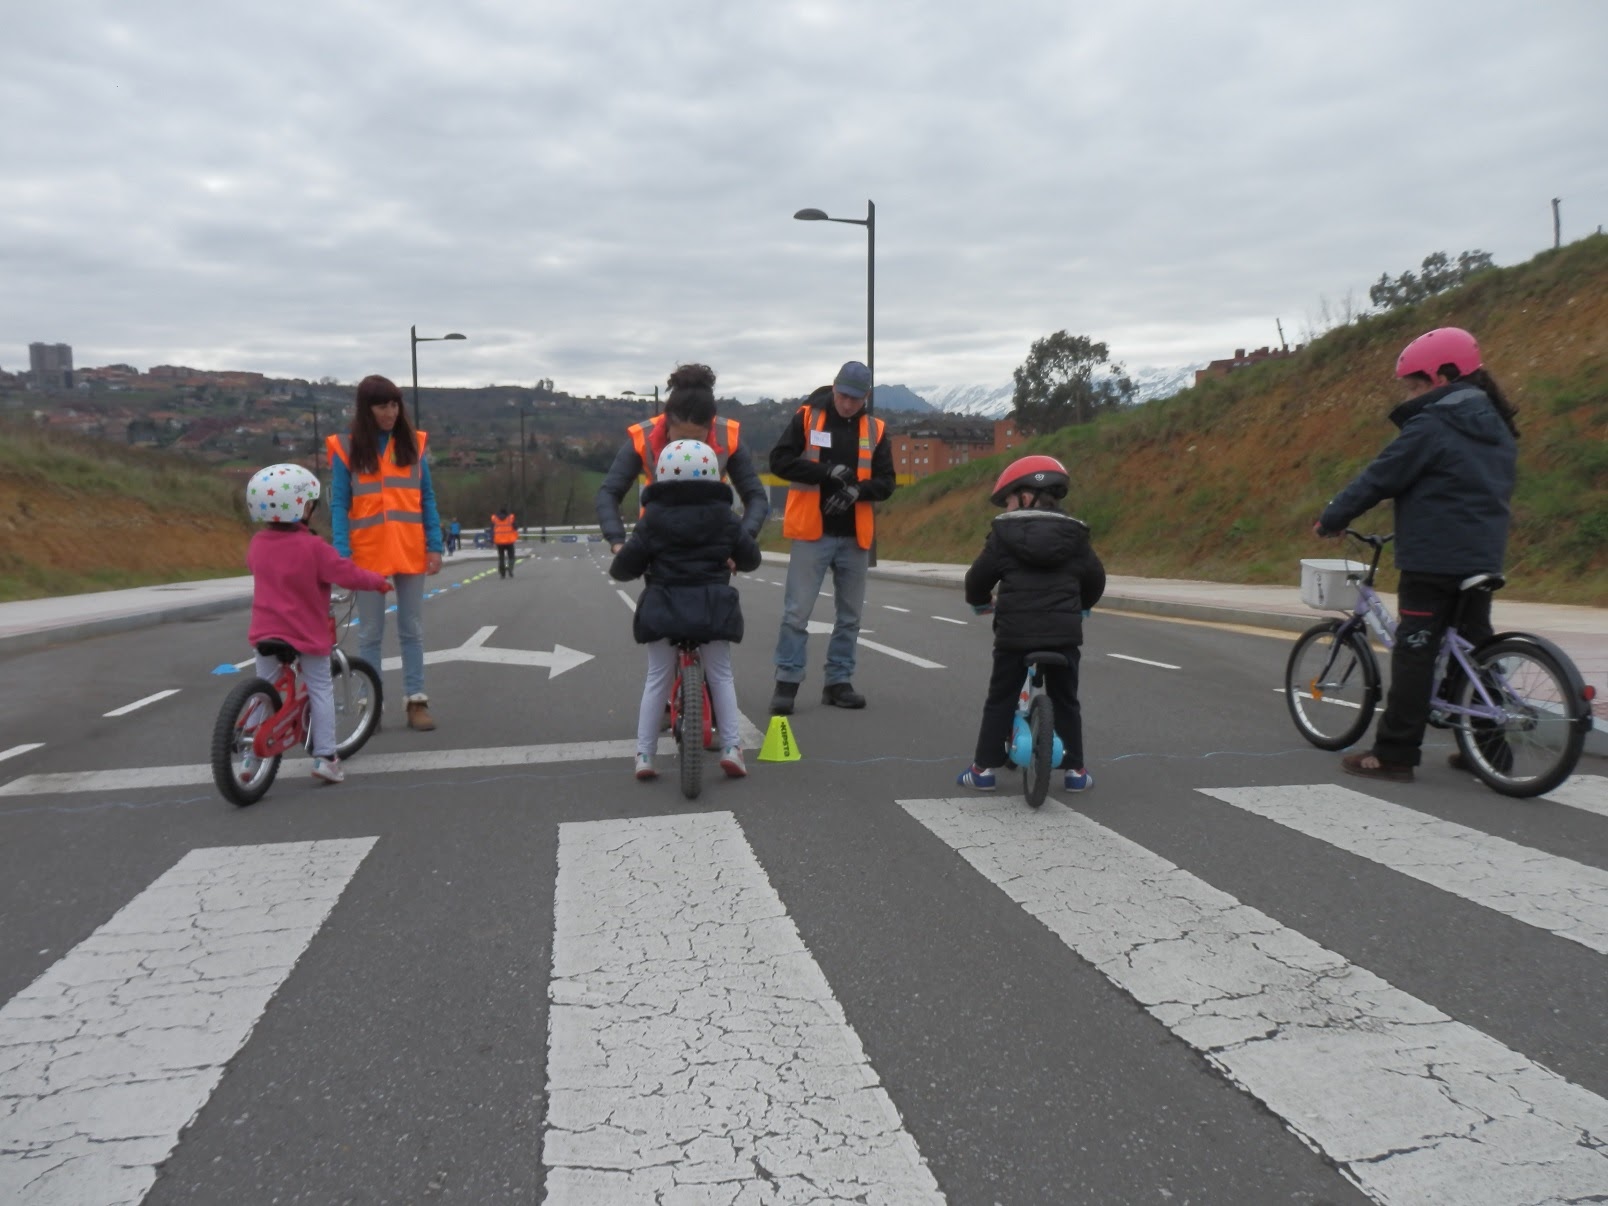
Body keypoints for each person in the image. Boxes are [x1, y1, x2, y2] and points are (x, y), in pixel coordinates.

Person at [1315, 326, 1519, 783]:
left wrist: (1332, 516)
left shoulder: (1435, 424)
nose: (1411, 394)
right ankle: (1488, 750)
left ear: (1442, 377)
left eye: (1414, 385)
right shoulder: (1497, 424)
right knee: (1476, 650)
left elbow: (1381, 477)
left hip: (1433, 560)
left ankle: (1394, 754)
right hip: (1483, 555)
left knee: (1415, 650)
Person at [610, 439, 762, 780]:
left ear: (661, 476)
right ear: (713, 476)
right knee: (720, 675)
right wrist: (732, 556)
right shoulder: (725, 517)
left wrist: (634, 559)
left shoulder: (653, 519)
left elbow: (624, 568)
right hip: (712, 607)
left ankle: (645, 755)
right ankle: (732, 748)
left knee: (657, 678)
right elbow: (752, 558)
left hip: (664, 607)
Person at [955, 455, 1105, 792]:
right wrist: (1081, 606)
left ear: (1025, 497)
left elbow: (977, 579)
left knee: (1001, 697)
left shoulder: (1004, 534)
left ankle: (982, 770)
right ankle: (1076, 772)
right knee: (1066, 698)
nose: (1007, 507)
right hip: (1064, 635)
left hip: (1014, 635)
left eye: (1008, 499)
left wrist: (981, 602)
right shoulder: (1076, 536)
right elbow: (1096, 579)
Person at [243, 463, 391, 784]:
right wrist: (377, 582)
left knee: (264, 690)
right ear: (302, 507)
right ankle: (326, 757)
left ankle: (250, 753)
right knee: (321, 687)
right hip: (305, 634)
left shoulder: (257, 544)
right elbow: (346, 573)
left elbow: (258, 567)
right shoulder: (313, 547)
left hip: (265, 634)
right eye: (310, 503)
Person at [767, 360, 896, 714]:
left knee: (850, 616)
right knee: (797, 613)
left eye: (855, 398)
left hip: (854, 535)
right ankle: (787, 682)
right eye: (842, 395)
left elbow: (887, 482)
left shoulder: (876, 429)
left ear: (866, 397)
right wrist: (825, 473)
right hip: (813, 531)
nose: (847, 404)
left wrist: (858, 491)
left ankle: (838, 682)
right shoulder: (808, 417)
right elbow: (779, 460)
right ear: (834, 387)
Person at [326, 374, 444, 732]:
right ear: (367, 409)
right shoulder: (347, 448)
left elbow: (426, 498)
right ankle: (371, 706)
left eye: (395, 405)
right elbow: (339, 504)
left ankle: (416, 701)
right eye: (382, 406)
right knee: (370, 633)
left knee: (411, 628)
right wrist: (342, 553)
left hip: (409, 549)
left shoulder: (413, 444)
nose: (391, 412)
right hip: (367, 554)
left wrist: (435, 544)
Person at [595, 363, 768, 556]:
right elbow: (609, 492)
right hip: (657, 540)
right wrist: (617, 540)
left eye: (697, 439)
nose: (688, 445)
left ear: (709, 426)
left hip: (713, 542)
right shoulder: (643, 438)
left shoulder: (727, 437)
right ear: (667, 423)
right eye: (681, 438)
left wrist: (740, 543)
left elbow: (756, 496)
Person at [491, 505, 518, 578]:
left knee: (501, 558)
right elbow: (516, 527)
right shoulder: (510, 518)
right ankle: (510, 569)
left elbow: (492, 530)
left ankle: (502, 573)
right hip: (509, 541)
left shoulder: (495, 519)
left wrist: (492, 540)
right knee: (511, 556)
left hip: (499, 542)